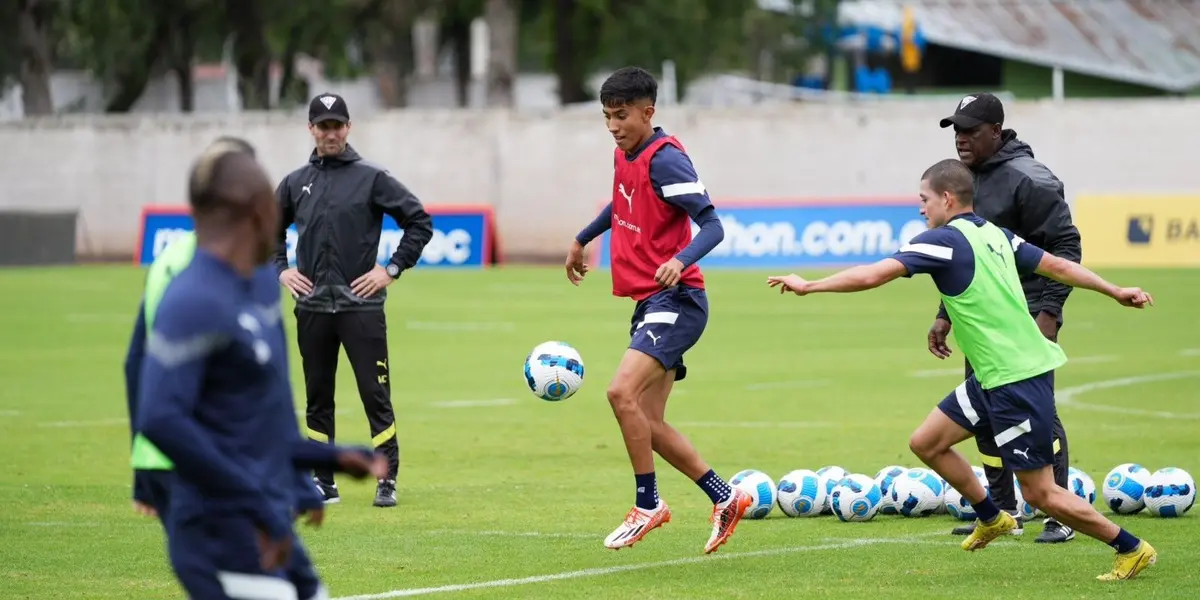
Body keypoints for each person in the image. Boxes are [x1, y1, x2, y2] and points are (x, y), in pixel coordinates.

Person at [766, 159, 1157, 581]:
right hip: (991, 377)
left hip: (1016, 378)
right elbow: (1057, 266)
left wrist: (810, 285)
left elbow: (873, 275)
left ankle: (1131, 548)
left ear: (947, 199)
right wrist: (1114, 289)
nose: (920, 209)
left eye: (924, 200)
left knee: (1041, 493)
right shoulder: (995, 235)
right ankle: (992, 516)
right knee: (927, 442)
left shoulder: (942, 241)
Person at [136, 138, 386, 599]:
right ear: (257, 211)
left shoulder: (255, 290)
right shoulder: (194, 299)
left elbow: (252, 421)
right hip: (222, 531)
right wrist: (256, 504)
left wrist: (325, 458)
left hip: (264, 516)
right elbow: (161, 418)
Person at [565, 66, 752, 554]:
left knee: (618, 392)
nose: (613, 125)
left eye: (621, 115)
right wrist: (583, 237)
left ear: (649, 112)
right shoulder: (624, 153)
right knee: (648, 419)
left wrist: (679, 259)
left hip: (678, 299)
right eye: (606, 116)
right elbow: (622, 202)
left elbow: (712, 225)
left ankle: (647, 504)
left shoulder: (666, 159)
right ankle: (726, 497)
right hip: (651, 301)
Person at [933, 92, 1083, 543]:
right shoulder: (962, 181)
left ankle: (1060, 513)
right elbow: (961, 254)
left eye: (971, 131)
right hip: (979, 317)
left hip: (1026, 315)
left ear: (996, 131)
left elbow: (1066, 247)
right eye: (956, 130)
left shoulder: (1031, 180)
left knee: (1038, 415)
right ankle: (1002, 509)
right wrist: (944, 314)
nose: (961, 139)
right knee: (984, 414)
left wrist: (1050, 312)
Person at [275, 93, 435, 508]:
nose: (330, 133)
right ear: (310, 129)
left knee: (374, 394)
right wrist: (281, 268)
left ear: (348, 128)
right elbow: (266, 230)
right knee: (317, 397)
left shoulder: (372, 178)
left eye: (337, 125)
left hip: (361, 308)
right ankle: (322, 481)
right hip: (311, 308)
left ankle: (386, 478)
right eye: (322, 126)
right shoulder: (295, 182)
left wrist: (391, 269)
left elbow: (419, 222)